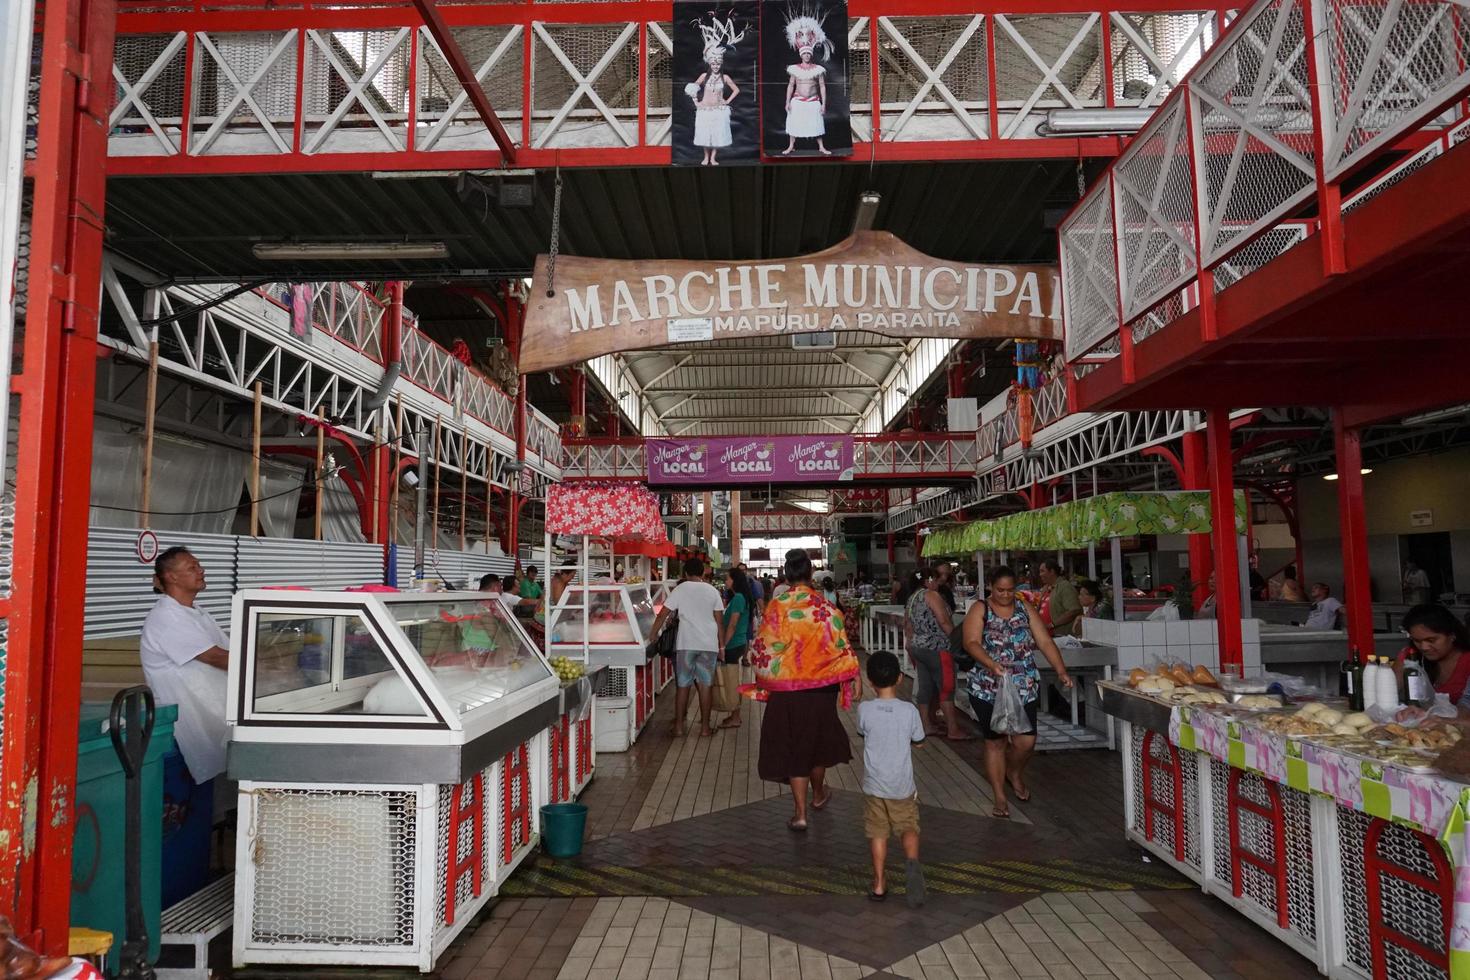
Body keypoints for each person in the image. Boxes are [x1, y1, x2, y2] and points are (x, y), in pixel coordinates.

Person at [753, 548, 859, 832]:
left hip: (787, 688)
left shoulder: (776, 607)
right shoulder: (825, 607)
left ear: (786, 575)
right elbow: (841, 645)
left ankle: (800, 813)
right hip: (821, 688)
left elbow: (763, 648)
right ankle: (819, 794)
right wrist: (849, 677)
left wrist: (768, 678)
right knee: (816, 742)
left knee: (794, 745)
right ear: (811, 574)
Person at [960, 566, 1073, 819]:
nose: (1005, 595)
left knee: (1026, 741)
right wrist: (991, 664)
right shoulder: (981, 609)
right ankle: (999, 796)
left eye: (1011, 590)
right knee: (996, 741)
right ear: (990, 586)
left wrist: (1061, 670)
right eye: (1000, 590)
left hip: (1023, 686)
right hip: (987, 686)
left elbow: (1044, 641)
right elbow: (971, 642)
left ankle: (1013, 773)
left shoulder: (1024, 608)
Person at [139, 547, 230, 784]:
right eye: (192, 567)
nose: (201, 570)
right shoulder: (167, 617)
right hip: (185, 721)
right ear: (171, 576)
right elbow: (214, 657)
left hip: (210, 711)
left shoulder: (196, 612)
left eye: (199, 565)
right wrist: (260, 669)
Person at [855, 651, 925, 907]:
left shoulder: (865, 709)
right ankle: (912, 866)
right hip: (902, 786)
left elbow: (862, 733)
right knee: (908, 827)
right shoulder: (909, 711)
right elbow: (918, 742)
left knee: (878, 833)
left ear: (871, 682)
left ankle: (879, 883)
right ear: (898, 678)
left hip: (875, 786)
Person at [650, 558, 725, 737]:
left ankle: (679, 728)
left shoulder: (680, 589)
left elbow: (663, 614)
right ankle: (705, 728)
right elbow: (719, 622)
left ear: (685, 573)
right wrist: (722, 646)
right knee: (705, 686)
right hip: (709, 645)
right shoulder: (712, 591)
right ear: (703, 572)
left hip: (686, 644)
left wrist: (653, 634)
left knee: (683, 685)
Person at [904, 568, 969, 740]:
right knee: (946, 688)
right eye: (934, 579)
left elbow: (908, 625)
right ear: (927, 581)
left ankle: (926, 725)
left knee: (925, 688)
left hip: (919, 647)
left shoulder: (912, 598)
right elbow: (944, 621)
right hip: (938, 647)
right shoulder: (931, 595)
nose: (937, 582)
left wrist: (910, 645)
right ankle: (953, 730)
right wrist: (959, 643)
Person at [685, 15, 743, 166]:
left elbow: (736, 90)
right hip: (705, 108)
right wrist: (696, 102)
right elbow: (693, 88)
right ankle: (705, 157)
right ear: (709, 63)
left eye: (718, 63)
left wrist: (727, 101)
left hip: (718, 109)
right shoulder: (704, 76)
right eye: (713, 63)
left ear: (721, 64)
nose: (716, 66)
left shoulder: (725, 77)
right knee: (705, 135)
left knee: (717, 135)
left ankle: (713, 157)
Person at [1394, 604, 1470, 705]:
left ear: (1452, 636)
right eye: (1417, 640)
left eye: (1431, 640)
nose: (1424, 647)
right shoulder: (1410, 657)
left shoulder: (1467, 660)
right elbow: (1389, 691)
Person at [780, 13, 832, 156]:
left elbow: (822, 86)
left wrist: (823, 104)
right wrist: (787, 102)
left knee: (816, 124)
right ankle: (791, 146)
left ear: (811, 55)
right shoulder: (794, 69)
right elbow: (791, 85)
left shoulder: (818, 70)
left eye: (808, 54)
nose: (807, 56)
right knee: (794, 123)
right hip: (797, 100)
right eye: (804, 54)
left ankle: (821, 147)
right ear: (801, 55)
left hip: (813, 101)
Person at [716, 566, 758, 730]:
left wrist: (723, 646)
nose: (725, 581)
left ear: (735, 580)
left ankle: (736, 717)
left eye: (727, 578)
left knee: (732, 681)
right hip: (737, 642)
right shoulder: (740, 597)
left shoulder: (739, 598)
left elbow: (732, 624)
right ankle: (734, 714)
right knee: (732, 680)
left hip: (733, 643)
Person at [1039, 560, 1082, 637]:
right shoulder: (1046, 588)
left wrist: (1053, 624)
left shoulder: (1065, 586)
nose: (1040, 574)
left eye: (1042, 571)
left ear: (1052, 571)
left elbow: (1074, 610)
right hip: (1046, 636)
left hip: (1060, 636)